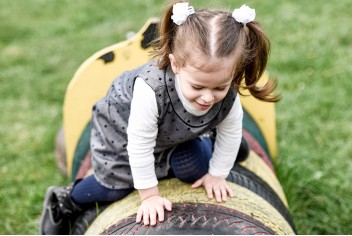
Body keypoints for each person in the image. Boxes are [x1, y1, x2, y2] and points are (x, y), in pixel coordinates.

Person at [40, 1, 280, 234]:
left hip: (174, 136)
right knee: (113, 188)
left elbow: (231, 131)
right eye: (197, 87)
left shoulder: (228, 93)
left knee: (194, 168)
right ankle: (64, 201)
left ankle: (210, 141)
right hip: (124, 137)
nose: (208, 97)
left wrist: (217, 175)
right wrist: (150, 196)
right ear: (175, 64)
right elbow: (139, 144)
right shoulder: (150, 90)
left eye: (219, 87)